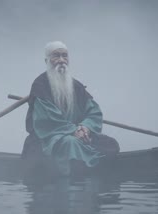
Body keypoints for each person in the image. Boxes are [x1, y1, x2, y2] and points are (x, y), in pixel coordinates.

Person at [22, 41, 119, 176]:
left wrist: (85, 127)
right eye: (56, 56)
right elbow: (48, 120)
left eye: (65, 56)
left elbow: (93, 112)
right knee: (71, 143)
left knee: (110, 143)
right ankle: (79, 178)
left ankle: (93, 171)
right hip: (49, 138)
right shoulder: (40, 85)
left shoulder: (76, 85)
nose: (61, 60)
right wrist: (75, 131)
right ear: (47, 60)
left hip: (80, 134)